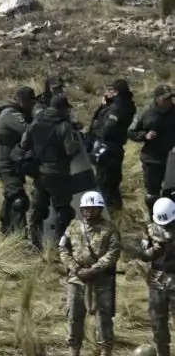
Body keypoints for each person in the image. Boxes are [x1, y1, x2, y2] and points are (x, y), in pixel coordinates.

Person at [61, 189, 119, 355]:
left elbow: (114, 252)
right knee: (73, 317)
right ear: (81, 209)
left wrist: (94, 269)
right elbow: (63, 248)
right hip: (76, 279)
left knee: (104, 320)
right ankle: (74, 351)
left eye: (93, 208)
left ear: (100, 209)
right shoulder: (73, 226)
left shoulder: (109, 229)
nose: (89, 211)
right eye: (86, 208)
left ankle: (105, 352)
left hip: (101, 280)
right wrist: (77, 269)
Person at [28, 92, 86, 251]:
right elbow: (69, 149)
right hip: (58, 174)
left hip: (40, 173)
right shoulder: (64, 126)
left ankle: (34, 244)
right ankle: (61, 246)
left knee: (38, 209)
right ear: (61, 109)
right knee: (63, 211)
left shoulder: (37, 121)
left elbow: (25, 142)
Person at [0, 85, 38, 238]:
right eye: (30, 103)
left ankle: (6, 231)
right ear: (23, 100)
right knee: (19, 200)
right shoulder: (11, 114)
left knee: (11, 196)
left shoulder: (16, 111)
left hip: (13, 163)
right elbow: (29, 130)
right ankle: (19, 237)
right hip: (7, 164)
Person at [92, 80, 136, 211]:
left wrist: (104, 109)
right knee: (113, 183)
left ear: (116, 92)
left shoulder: (116, 108)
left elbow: (107, 131)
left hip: (108, 149)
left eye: (110, 90)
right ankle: (118, 212)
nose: (107, 92)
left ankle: (107, 213)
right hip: (116, 149)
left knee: (104, 183)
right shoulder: (126, 105)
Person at [131, 86, 175, 216]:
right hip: (152, 160)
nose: (169, 101)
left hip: (172, 160)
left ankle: (171, 223)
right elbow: (131, 131)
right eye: (165, 98)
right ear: (157, 99)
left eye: (171, 98)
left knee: (172, 193)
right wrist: (145, 136)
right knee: (152, 196)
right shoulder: (145, 113)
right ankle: (155, 223)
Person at [143, 196, 175, 356]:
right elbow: (143, 254)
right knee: (157, 322)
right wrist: (154, 249)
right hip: (157, 282)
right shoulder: (150, 229)